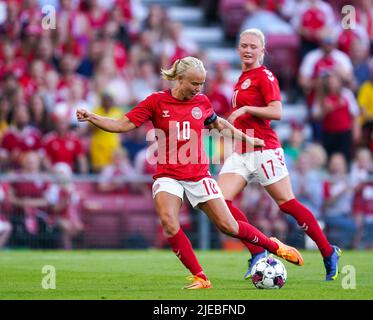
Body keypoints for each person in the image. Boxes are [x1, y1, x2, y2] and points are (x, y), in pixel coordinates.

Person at [76, 56, 303, 289]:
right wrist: (93, 118)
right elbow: (122, 125)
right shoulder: (156, 102)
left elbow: (219, 125)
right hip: (168, 175)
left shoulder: (203, 102)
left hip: (199, 175)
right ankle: (200, 277)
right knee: (169, 222)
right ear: (180, 79)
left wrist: (247, 138)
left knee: (229, 226)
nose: (198, 88)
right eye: (194, 83)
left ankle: (274, 246)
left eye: (201, 84)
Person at [217, 28, 340, 281]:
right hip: (242, 151)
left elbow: (277, 111)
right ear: (238, 49)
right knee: (219, 202)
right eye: (244, 46)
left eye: (253, 46)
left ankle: (328, 252)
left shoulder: (265, 76)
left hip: (264, 149)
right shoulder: (242, 78)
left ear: (262, 50)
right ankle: (257, 252)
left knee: (287, 205)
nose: (248, 50)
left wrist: (244, 110)